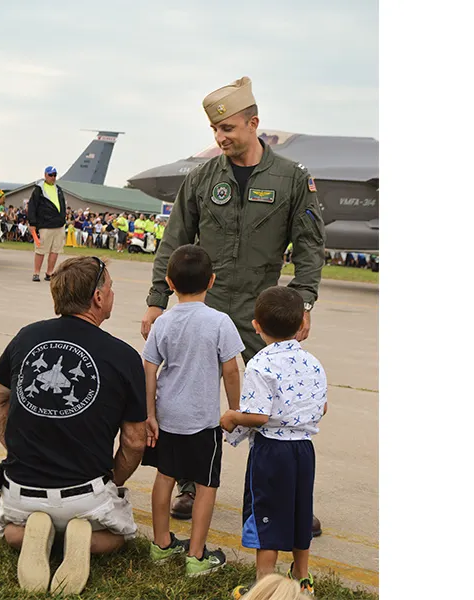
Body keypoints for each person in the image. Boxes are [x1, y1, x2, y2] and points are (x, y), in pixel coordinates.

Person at [140, 76, 326, 523]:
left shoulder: (291, 178)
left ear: (253, 123)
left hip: (266, 305)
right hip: (208, 302)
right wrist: (156, 298)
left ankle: (280, 493)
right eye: (215, 131)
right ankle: (189, 482)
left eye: (228, 129)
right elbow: (176, 240)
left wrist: (301, 303)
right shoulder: (203, 178)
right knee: (191, 396)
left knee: (282, 400)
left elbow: (309, 245)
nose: (221, 138)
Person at [0, 256, 147, 595]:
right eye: (110, 288)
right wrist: (113, 482)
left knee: (12, 532)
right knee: (118, 536)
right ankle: (79, 539)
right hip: (85, 495)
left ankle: (36, 534)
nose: (112, 294)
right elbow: (134, 440)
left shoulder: (27, 336)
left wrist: (17, 450)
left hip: (23, 489)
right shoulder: (124, 356)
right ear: (98, 298)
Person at [142, 245, 243, 577]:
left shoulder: (163, 322)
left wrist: (150, 414)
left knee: (165, 476)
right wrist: (235, 410)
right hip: (203, 421)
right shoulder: (220, 322)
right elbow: (230, 370)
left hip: (167, 416)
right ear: (212, 281)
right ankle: (196, 555)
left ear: (169, 283)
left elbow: (149, 369)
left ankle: (160, 544)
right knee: (205, 484)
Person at [220, 286, 327, 598]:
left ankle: (263, 584)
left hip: (272, 451)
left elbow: (258, 416)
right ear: (300, 327)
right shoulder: (313, 363)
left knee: (265, 512)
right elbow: (322, 407)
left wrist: (232, 417)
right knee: (299, 510)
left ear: (256, 325)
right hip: (304, 450)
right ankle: (302, 576)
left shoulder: (260, 364)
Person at [27, 166, 67, 282]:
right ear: (45, 175)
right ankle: (36, 272)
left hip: (58, 225)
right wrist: (32, 223)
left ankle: (49, 272)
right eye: (50, 175)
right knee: (41, 249)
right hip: (45, 225)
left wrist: (63, 219)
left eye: (55, 175)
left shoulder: (58, 189)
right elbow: (32, 206)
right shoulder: (39, 189)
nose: (53, 177)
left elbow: (62, 205)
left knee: (55, 250)